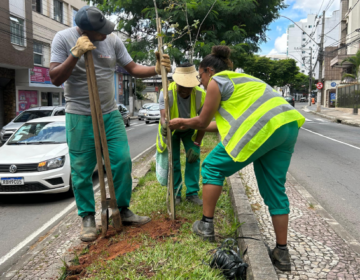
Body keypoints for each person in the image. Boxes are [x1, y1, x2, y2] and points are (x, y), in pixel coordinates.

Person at [169, 46, 305, 272]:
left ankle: (206, 226)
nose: (200, 82)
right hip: (286, 124)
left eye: (200, 76)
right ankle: (282, 252)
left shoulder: (217, 81)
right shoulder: (241, 79)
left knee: (212, 167)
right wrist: (187, 123)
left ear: (209, 71)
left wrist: (180, 122)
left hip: (264, 127)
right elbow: (214, 124)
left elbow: (202, 122)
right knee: (274, 189)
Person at [49, 6, 171, 242]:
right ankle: (87, 217)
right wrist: (74, 54)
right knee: (82, 170)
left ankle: (123, 209)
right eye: (100, 31)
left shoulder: (113, 41)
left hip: (110, 112)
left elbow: (133, 68)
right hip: (80, 114)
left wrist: (156, 69)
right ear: (86, 30)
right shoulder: (63, 39)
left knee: (122, 161)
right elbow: (55, 78)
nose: (106, 33)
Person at [157, 63, 206, 205]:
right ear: (175, 82)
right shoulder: (166, 92)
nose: (185, 89)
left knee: (193, 159)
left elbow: (203, 122)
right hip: (172, 129)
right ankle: (176, 193)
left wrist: (196, 144)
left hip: (190, 129)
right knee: (174, 161)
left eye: (188, 86)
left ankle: (192, 193)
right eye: (182, 85)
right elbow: (163, 116)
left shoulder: (200, 95)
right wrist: (164, 124)